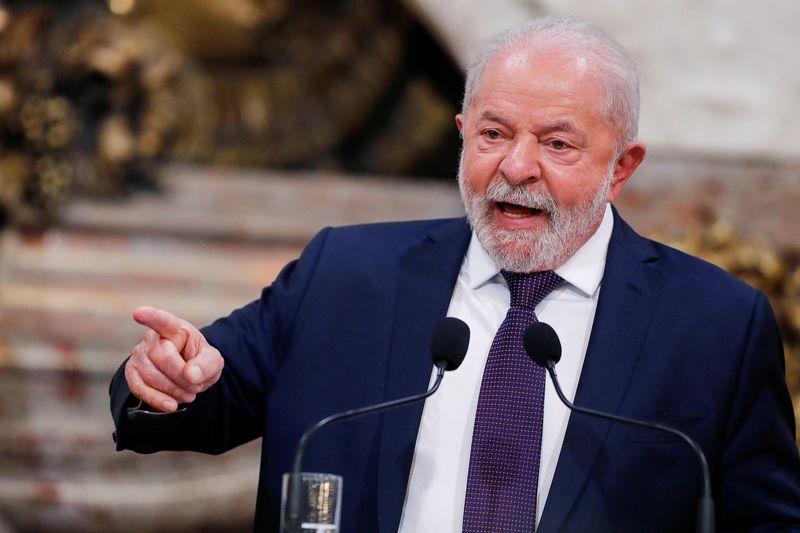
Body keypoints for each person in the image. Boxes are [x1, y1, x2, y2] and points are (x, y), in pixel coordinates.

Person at [110, 15, 800, 532]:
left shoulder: (715, 324)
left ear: (622, 166)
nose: (518, 166)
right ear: (463, 131)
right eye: (494, 134)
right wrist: (166, 381)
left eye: (557, 143)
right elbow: (193, 398)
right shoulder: (346, 274)